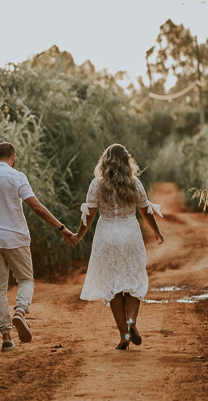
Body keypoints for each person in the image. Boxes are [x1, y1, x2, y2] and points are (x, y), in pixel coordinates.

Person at [0, 142, 75, 352]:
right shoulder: (17, 177)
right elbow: (35, 206)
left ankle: (6, 337)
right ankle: (20, 311)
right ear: (13, 157)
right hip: (16, 238)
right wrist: (61, 228)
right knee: (26, 280)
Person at [70, 143, 164, 350]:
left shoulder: (97, 184)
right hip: (129, 233)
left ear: (105, 161)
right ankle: (131, 322)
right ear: (126, 162)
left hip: (107, 235)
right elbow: (145, 211)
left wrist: (77, 235)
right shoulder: (135, 183)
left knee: (113, 286)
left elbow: (90, 216)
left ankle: (124, 334)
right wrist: (156, 231)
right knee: (133, 280)